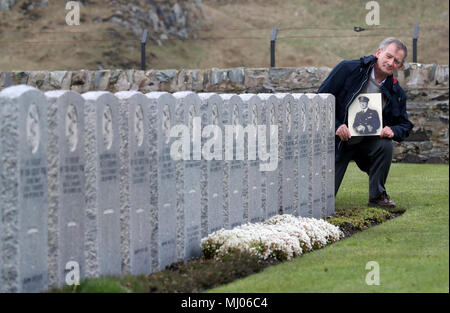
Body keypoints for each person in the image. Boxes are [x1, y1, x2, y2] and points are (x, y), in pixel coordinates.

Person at [318, 37, 414, 208]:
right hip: (338, 141)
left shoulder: (396, 92)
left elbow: (405, 125)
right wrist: (336, 126)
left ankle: (377, 196)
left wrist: (392, 130)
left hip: (367, 144)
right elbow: (320, 100)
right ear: (378, 53)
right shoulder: (348, 69)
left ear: (400, 66)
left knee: (385, 145)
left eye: (396, 61)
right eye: (388, 56)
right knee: (322, 201)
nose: (391, 63)